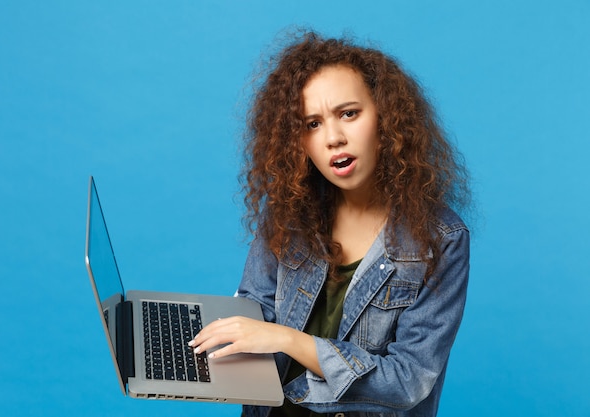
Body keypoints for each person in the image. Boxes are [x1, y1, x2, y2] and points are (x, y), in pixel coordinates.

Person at [189, 30, 471, 417]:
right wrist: (198, 353)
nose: (333, 138)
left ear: (386, 118)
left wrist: (288, 340)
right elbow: (256, 310)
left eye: (348, 113)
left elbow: (408, 380)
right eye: (312, 124)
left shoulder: (440, 239)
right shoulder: (288, 211)